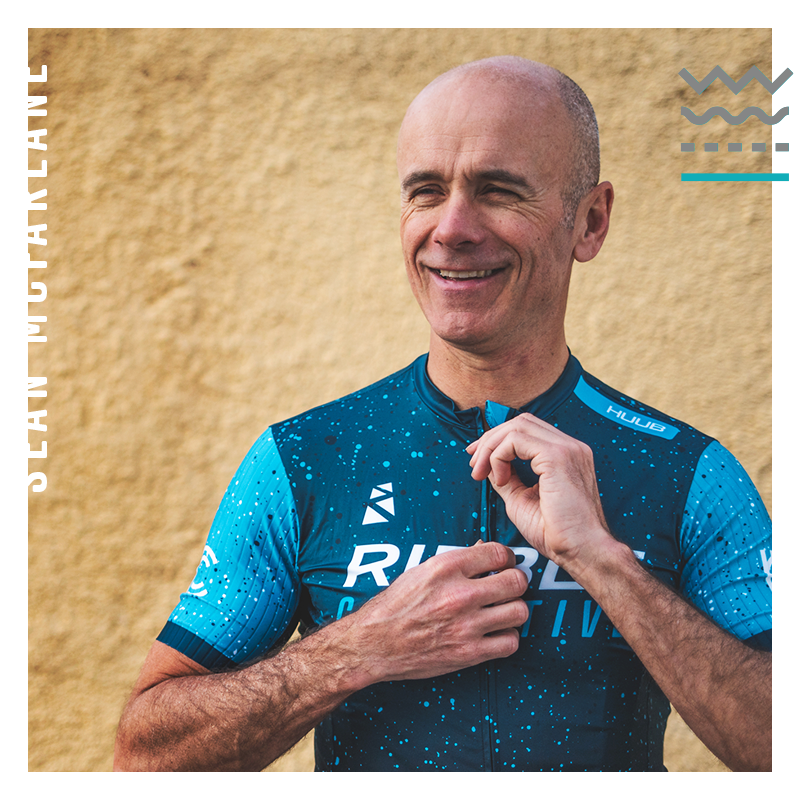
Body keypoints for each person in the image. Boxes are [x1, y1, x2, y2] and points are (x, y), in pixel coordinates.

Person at [113, 56, 772, 772]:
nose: (452, 228)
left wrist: (605, 565)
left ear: (590, 221)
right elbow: (144, 757)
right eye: (425, 192)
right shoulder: (302, 460)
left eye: (499, 191)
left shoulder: (687, 472)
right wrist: (355, 649)